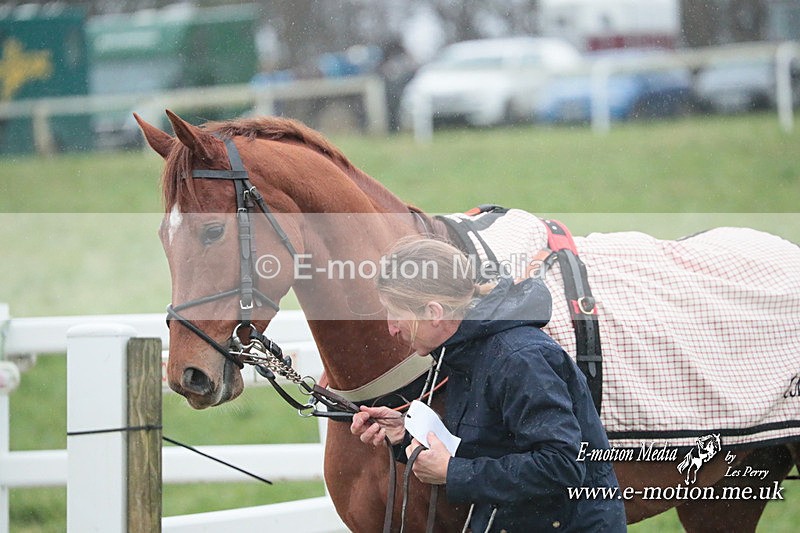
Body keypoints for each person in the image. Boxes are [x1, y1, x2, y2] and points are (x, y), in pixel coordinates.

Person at [351, 237, 626, 532]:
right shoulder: (465, 349)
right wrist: (404, 435)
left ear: (433, 312)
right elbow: (492, 444)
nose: (391, 328)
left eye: (396, 312)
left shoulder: (521, 359)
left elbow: (563, 466)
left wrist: (452, 472)